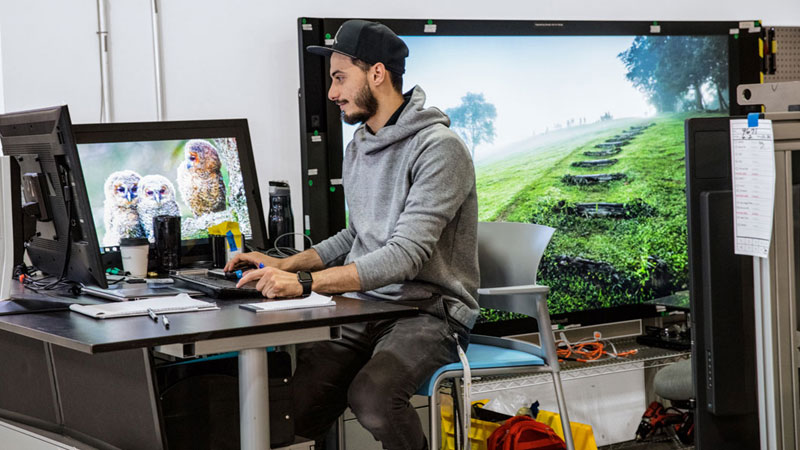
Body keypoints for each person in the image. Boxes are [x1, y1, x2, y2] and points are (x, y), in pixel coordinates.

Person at [225, 19, 479, 450]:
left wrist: (304, 283)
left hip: (431, 311)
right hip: (368, 306)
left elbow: (404, 257)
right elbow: (355, 235)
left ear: (376, 74)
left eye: (340, 78)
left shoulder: (440, 148)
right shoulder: (360, 145)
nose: (332, 93)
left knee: (374, 398)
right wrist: (283, 264)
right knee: (295, 401)